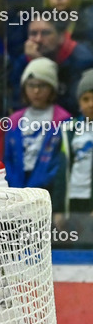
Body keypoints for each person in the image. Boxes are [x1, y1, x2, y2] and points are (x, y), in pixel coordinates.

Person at [4, 58, 70, 211]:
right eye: (31, 85)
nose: (36, 91)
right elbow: (8, 158)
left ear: (52, 88)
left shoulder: (63, 120)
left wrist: (37, 186)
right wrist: (16, 188)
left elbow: (60, 162)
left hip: (47, 194)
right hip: (16, 194)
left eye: (42, 85)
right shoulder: (14, 120)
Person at [10, 19, 93, 115]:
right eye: (33, 34)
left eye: (45, 33)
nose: (38, 39)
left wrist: (41, 65)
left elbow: (75, 105)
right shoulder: (24, 60)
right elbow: (16, 101)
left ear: (61, 36)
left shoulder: (82, 59)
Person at [67, 69, 93, 215]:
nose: (91, 104)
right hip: (74, 197)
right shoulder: (70, 130)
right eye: (85, 99)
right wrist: (59, 208)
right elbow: (63, 170)